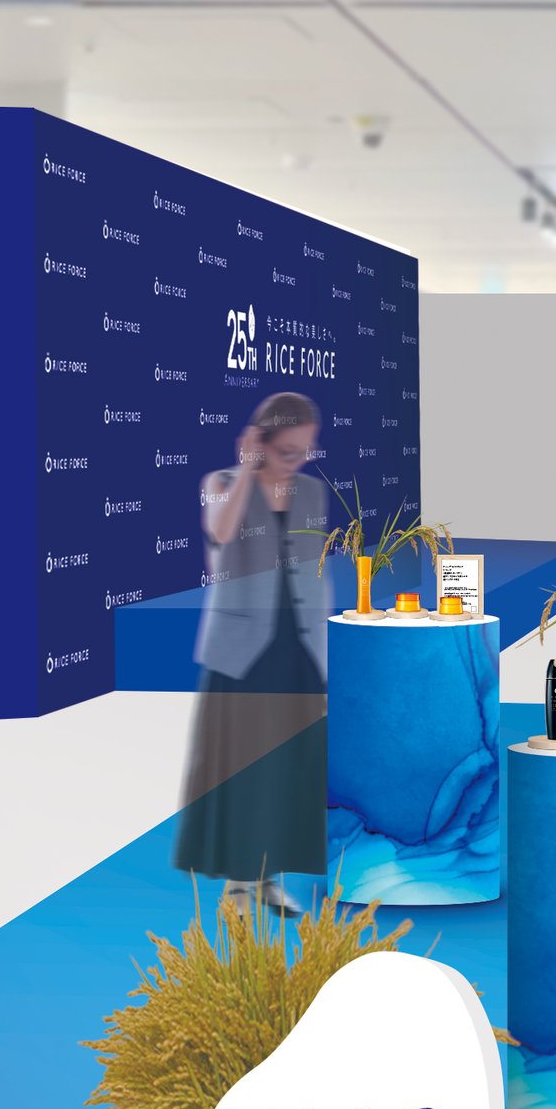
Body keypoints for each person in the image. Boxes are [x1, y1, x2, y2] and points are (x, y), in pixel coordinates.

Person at [172, 391, 330, 918]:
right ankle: (239, 884)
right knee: (242, 770)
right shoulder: (220, 483)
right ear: (259, 441)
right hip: (241, 655)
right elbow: (219, 532)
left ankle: (268, 878)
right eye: (287, 451)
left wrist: (329, 649)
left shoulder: (311, 493)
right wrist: (246, 470)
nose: (297, 461)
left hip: (299, 649)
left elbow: (317, 573)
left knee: (288, 769)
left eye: (305, 450)